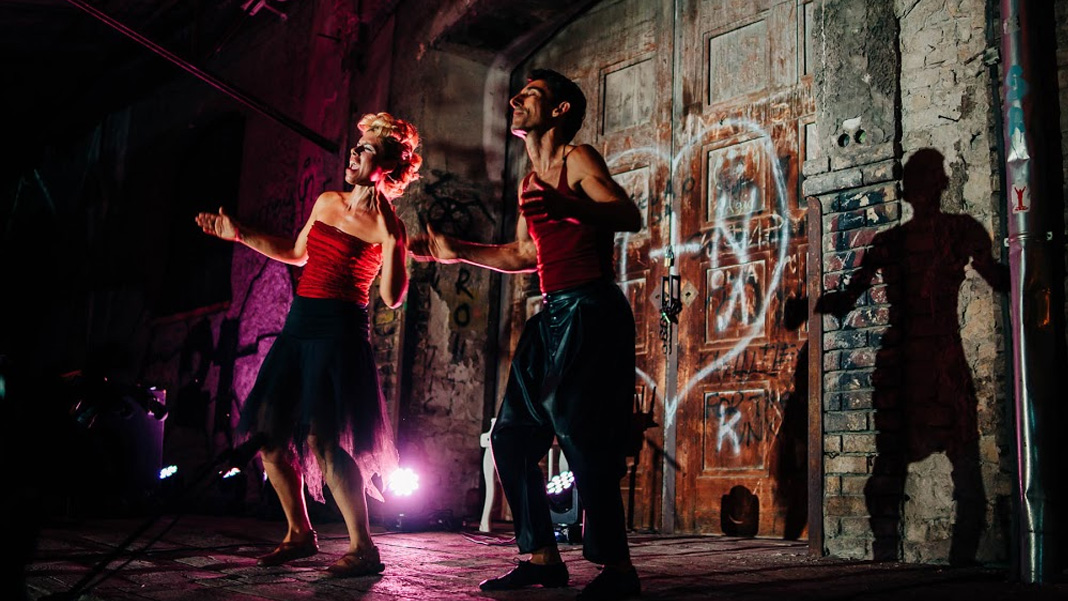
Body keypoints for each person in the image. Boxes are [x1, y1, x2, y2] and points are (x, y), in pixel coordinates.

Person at [412, 69, 642, 601]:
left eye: (531, 94)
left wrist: (569, 206)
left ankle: (619, 569)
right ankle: (542, 558)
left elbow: (626, 214)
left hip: (591, 309)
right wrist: (458, 250)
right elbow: (524, 253)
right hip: (552, 313)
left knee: (582, 435)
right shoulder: (528, 180)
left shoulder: (577, 160)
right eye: (518, 94)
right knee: (511, 437)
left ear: (560, 110)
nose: (516, 99)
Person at [194, 112, 421, 577]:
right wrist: (239, 233)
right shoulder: (327, 202)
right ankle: (299, 533)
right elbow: (297, 253)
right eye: (357, 145)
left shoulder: (389, 228)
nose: (354, 152)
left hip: (339, 334)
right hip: (298, 328)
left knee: (323, 441)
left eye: (366, 148)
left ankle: (364, 548)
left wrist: (394, 242)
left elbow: (393, 298)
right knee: (267, 435)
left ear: (387, 166)